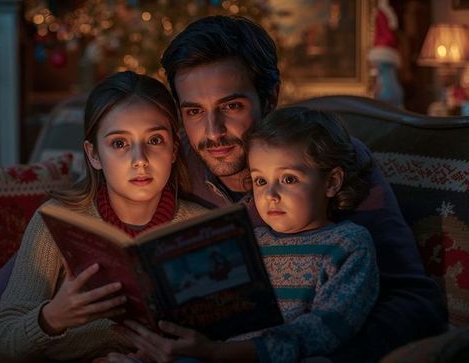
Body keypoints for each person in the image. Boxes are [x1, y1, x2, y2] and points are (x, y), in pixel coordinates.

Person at [113, 15, 446, 362]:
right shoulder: (166, 163)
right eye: (194, 111)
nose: (213, 132)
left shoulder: (325, 161)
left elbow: (414, 302)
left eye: (231, 106)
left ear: (270, 98)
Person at [113, 106, 381, 362]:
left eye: (288, 179)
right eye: (260, 181)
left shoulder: (347, 244)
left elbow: (324, 331)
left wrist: (218, 353)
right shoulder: (251, 241)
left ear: (332, 182)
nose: (270, 195)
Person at [0, 71, 207, 362]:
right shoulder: (57, 221)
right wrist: (51, 318)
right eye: (119, 144)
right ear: (94, 154)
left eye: (155, 140)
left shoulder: (202, 225)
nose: (140, 160)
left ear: (174, 148)